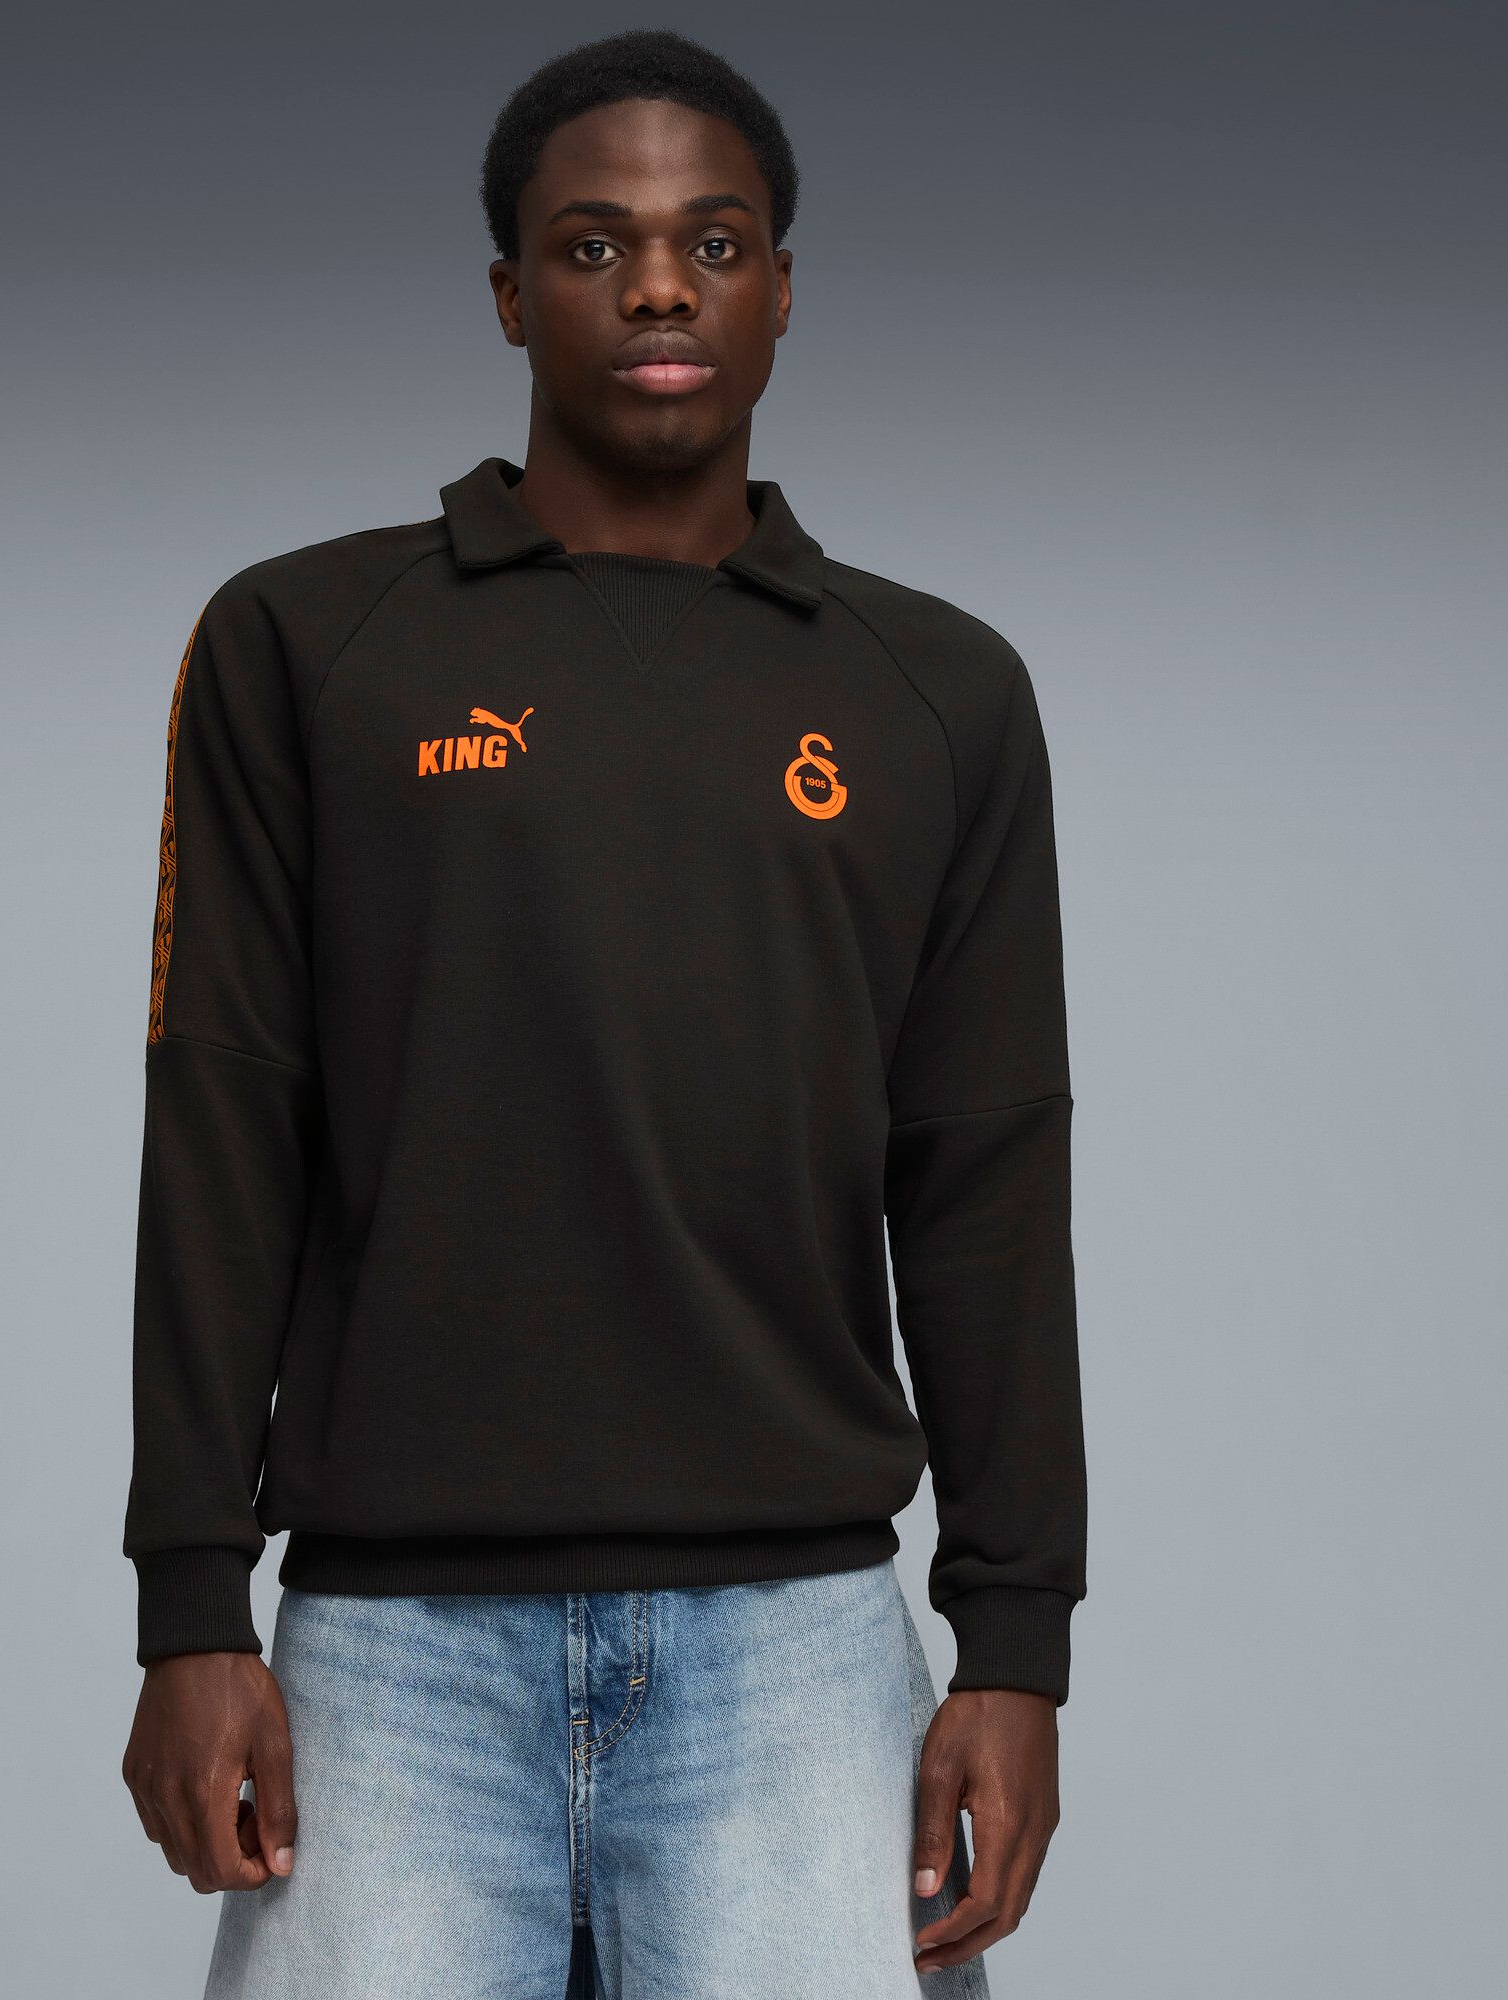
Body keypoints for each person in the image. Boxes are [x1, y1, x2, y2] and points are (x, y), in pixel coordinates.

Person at [119, 28, 1086, 1997]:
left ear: (782, 288)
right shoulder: (308, 647)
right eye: (594, 245)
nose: (658, 287)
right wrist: (189, 1603)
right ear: (508, 292)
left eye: (712, 243)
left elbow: (983, 1181)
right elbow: (224, 1124)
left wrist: (1015, 1643)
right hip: (390, 1659)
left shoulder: (938, 694)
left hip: (799, 1644)